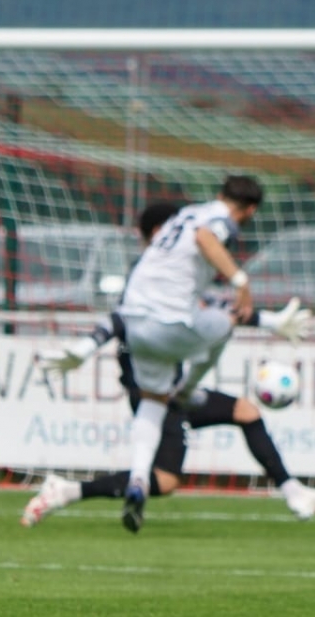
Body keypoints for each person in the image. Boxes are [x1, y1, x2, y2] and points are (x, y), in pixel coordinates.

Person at [24, 200, 315, 524]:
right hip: (155, 390)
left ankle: (295, 493)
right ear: (159, 231)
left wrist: (270, 321)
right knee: (166, 479)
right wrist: (87, 347)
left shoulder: (174, 272)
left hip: (175, 386)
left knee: (246, 412)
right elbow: (120, 321)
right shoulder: (149, 276)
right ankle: (69, 491)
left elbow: (215, 306)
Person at [111, 174, 263, 534]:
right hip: (170, 326)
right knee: (225, 323)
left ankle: (137, 480)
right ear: (250, 209)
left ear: (219, 193)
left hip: (136, 327)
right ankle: (189, 389)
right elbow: (206, 238)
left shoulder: (188, 213)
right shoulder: (219, 223)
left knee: (153, 401)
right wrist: (241, 281)